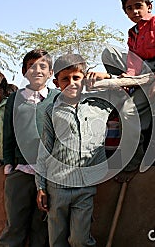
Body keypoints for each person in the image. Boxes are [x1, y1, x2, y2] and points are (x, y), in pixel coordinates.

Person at [35, 53, 114, 247]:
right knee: (57, 241)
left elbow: (126, 91)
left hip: (85, 186)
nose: (71, 83)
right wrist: (41, 186)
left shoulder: (99, 105)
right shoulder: (51, 111)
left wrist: (107, 78)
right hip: (57, 187)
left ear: (84, 78)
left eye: (77, 78)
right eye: (65, 79)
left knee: (80, 240)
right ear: (56, 82)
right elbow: (45, 149)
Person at [101, 0, 155, 182]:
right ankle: (127, 89)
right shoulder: (132, 32)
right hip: (142, 72)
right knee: (108, 52)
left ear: (149, 6)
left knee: (129, 113)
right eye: (129, 8)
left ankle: (132, 164)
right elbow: (133, 62)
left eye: (138, 6)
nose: (134, 11)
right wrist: (127, 79)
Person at [0, 49, 59, 247]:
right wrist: (9, 165)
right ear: (24, 71)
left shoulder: (56, 98)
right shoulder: (15, 99)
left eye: (43, 66)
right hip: (21, 170)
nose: (37, 70)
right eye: (32, 66)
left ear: (50, 72)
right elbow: (8, 133)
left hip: (49, 174)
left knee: (41, 228)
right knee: (15, 225)